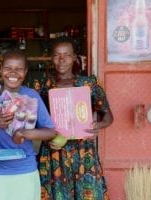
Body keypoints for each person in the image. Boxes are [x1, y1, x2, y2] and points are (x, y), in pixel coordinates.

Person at [0, 50, 56, 200]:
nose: (13, 73)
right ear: (0, 69)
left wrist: (24, 133)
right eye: (8, 68)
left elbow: (50, 132)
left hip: (25, 170)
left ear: (25, 72)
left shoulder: (32, 95)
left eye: (18, 69)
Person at [38, 37, 114, 200]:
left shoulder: (89, 84)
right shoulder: (44, 85)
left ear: (74, 57)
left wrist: (97, 125)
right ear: (52, 58)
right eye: (57, 55)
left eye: (66, 54)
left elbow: (108, 116)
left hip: (83, 151)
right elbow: (36, 118)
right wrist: (44, 132)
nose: (62, 59)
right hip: (54, 152)